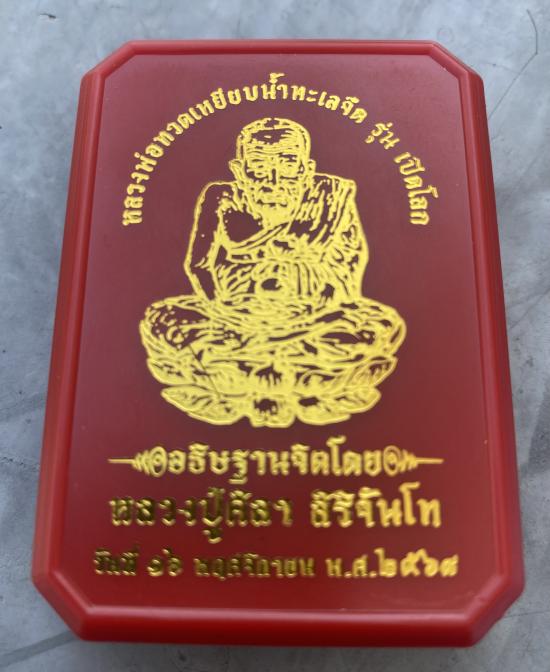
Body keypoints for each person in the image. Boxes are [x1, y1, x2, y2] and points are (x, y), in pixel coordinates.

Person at [140, 117, 406, 427]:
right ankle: (290, 370)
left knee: (378, 325)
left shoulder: (331, 196)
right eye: (259, 165)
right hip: (235, 313)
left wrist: (324, 300)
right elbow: (198, 265)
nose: (274, 177)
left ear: (306, 169)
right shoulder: (221, 199)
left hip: (314, 316)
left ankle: (238, 369)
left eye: (287, 163)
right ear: (239, 170)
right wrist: (223, 308)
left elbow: (349, 259)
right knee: (166, 319)